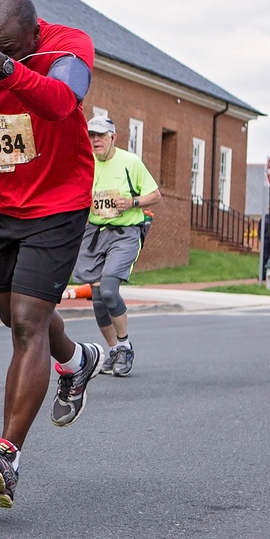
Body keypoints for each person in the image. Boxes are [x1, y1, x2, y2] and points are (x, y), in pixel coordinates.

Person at [0, 0, 102, 509]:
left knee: (26, 321)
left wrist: (6, 69)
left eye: (18, 49)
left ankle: (7, 458)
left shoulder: (70, 47)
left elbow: (63, 103)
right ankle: (77, 359)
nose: (6, 55)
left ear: (36, 34)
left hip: (58, 203)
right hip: (2, 203)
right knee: (11, 315)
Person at [72, 115, 161, 377]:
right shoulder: (85, 163)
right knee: (98, 300)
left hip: (125, 233)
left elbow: (155, 195)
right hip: (94, 233)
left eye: (101, 135)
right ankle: (113, 351)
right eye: (91, 135)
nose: (96, 140)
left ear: (114, 137)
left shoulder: (129, 162)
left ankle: (125, 347)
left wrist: (131, 202)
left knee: (109, 291)